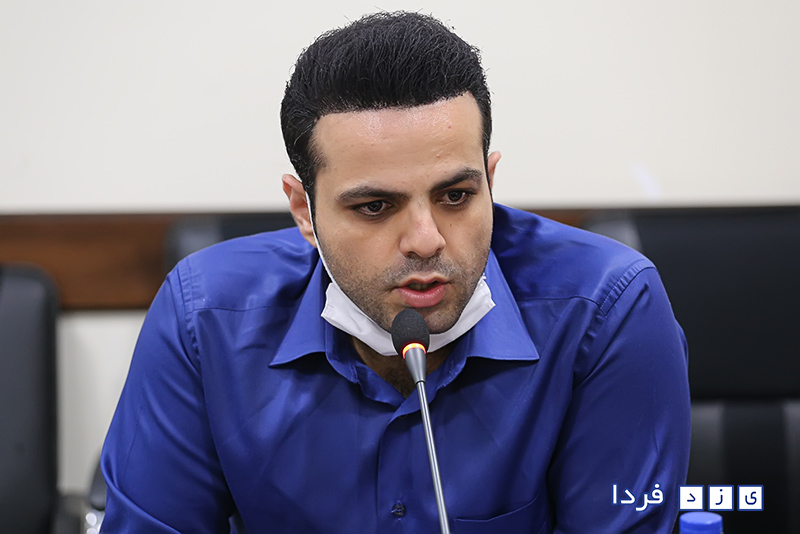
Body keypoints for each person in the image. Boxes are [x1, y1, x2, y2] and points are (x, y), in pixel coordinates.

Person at [101, 11, 690, 533]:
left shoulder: (607, 307)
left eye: (456, 196)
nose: (426, 240)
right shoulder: (205, 316)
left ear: (490, 182)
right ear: (304, 210)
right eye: (375, 206)